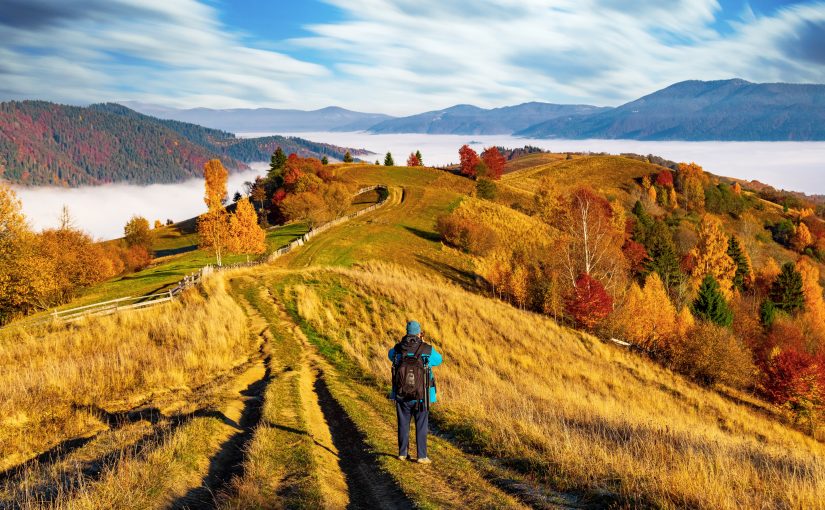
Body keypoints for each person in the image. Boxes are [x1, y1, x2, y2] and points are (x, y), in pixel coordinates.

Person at [388, 320, 442, 464]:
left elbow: (390, 355)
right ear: (419, 333)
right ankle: (422, 456)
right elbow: (439, 360)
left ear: (407, 332)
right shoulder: (426, 349)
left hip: (401, 394)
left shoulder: (398, 349)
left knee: (403, 423)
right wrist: (424, 343)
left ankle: (402, 453)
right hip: (422, 395)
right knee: (421, 424)